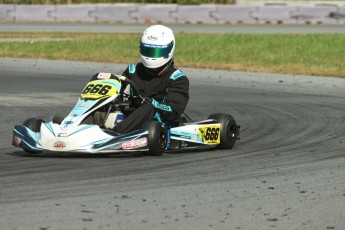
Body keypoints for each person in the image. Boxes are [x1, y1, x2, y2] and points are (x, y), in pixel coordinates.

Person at [112, 25, 189, 134]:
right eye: (147, 51)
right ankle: (84, 127)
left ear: (169, 49)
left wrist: (151, 102)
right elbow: (119, 93)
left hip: (158, 122)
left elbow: (173, 110)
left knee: (148, 108)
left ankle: (115, 135)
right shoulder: (132, 71)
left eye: (156, 52)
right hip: (129, 116)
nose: (150, 56)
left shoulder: (177, 78)